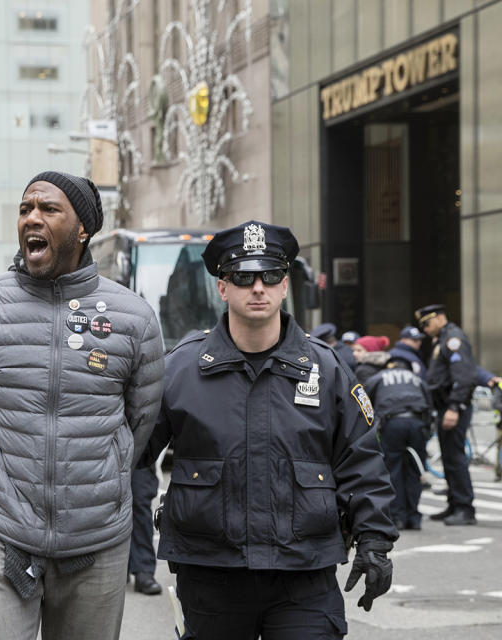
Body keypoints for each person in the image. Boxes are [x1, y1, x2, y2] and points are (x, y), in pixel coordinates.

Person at [141, 220, 398, 639]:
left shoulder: (327, 368)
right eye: (243, 277)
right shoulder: (181, 369)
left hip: (304, 575)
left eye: (271, 276)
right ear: (223, 288)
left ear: (284, 287)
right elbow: (128, 453)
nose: (257, 287)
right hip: (211, 574)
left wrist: (375, 541)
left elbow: (362, 460)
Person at [0, 170, 165, 640]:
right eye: (25, 209)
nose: (31, 218)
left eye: (48, 209)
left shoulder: (135, 318)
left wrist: (108, 470)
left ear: (82, 230)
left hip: (97, 536)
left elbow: (140, 420)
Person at [415, 303, 478, 526]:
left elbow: (463, 377)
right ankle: (454, 503)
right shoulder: (442, 339)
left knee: (455, 458)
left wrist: (454, 407)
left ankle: (464, 508)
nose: (424, 329)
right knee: (449, 457)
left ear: (440, 318)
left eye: (427, 323)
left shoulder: (453, 339)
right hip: (444, 406)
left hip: (452, 406)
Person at [364, 354, 431, 531]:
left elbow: (362, 402)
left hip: (392, 424)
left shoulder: (377, 378)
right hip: (417, 424)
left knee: (393, 470)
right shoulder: (417, 379)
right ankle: (414, 518)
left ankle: (397, 517)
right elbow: (429, 404)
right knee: (414, 470)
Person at [128, 464, 162, 595]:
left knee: (140, 499)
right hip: (102, 447)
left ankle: (143, 569)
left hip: (139, 449)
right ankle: (120, 567)